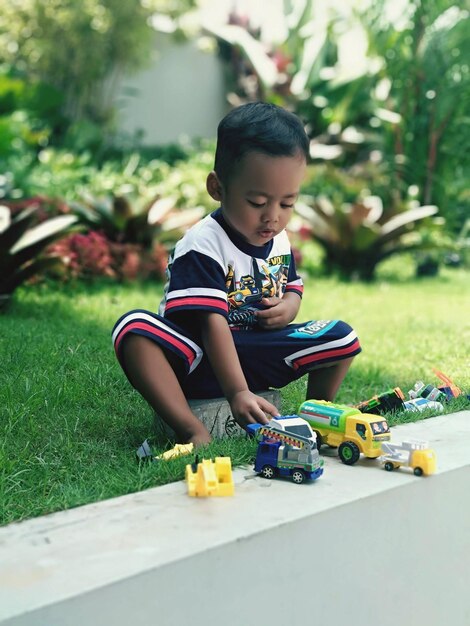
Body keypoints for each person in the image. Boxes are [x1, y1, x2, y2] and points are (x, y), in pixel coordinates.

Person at [112, 102, 361, 446]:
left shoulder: (278, 240)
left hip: (254, 351)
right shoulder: (203, 244)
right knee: (133, 329)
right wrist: (238, 392)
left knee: (342, 337)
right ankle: (192, 431)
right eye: (257, 202)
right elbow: (211, 324)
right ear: (217, 187)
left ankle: (317, 418)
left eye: (287, 203)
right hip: (195, 359)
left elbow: (292, 284)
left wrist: (289, 306)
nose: (272, 217)